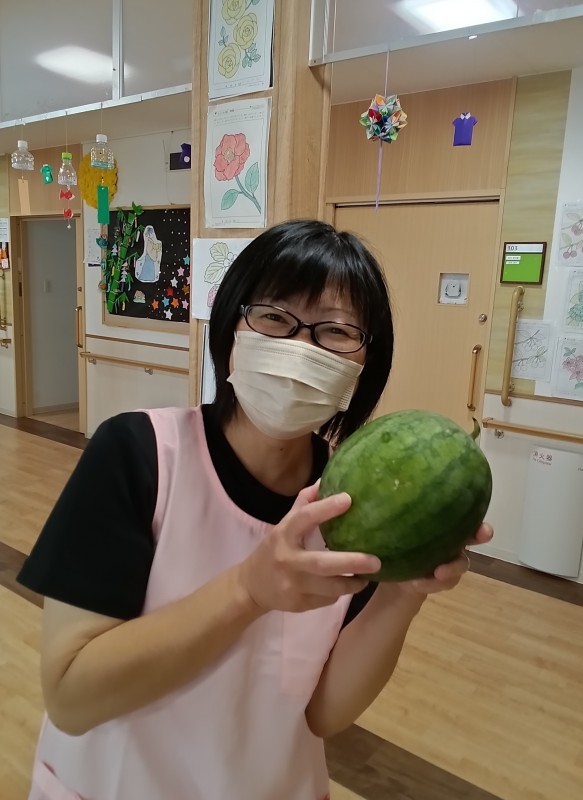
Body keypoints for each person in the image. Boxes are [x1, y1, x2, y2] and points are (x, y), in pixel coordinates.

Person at [18, 219, 492, 800]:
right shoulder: (139, 454)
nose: (300, 347)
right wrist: (248, 591)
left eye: (336, 331)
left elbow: (322, 713)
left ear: (365, 364)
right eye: (274, 317)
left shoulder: (353, 497)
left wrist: (403, 593)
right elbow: (71, 696)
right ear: (230, 329)